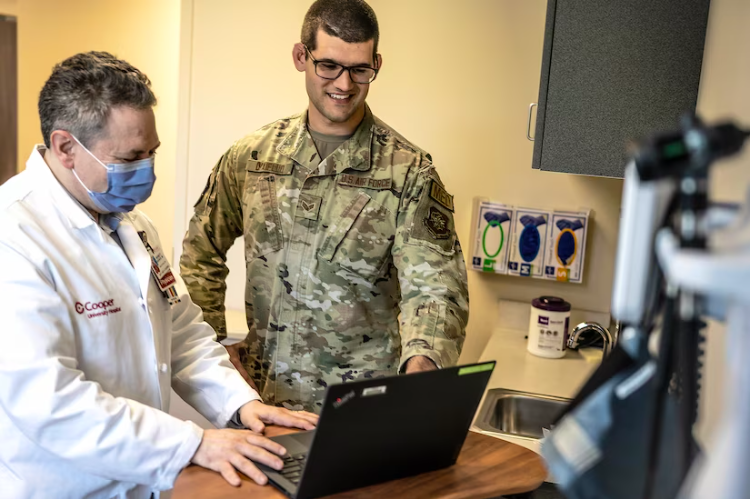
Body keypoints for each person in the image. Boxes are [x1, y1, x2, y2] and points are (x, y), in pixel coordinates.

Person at [0, 51, 318, 499]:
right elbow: (47, 401)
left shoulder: (133, 226)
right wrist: (191, 441)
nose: (147, 171)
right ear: (66, 147)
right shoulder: (13, 236)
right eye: (130, 157)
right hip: (65, 488)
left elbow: (183, 333)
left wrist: (240, 404)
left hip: (145, 480)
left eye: (152, 153)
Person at [180, 0, 469, 413]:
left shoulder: (409, 171)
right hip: (261, 402)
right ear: (301, 56)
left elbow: (437, 286)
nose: (344, 84)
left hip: (360, 409)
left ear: (376, 65)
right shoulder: (252, 157)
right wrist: (214, 349)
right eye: (329, 65)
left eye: (360, 70)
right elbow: (201, 249)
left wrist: (423, 363)